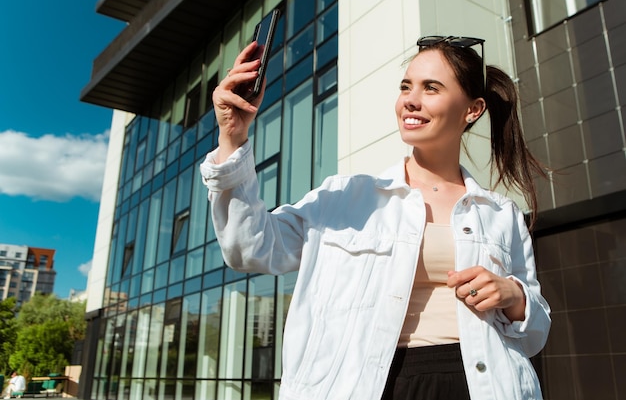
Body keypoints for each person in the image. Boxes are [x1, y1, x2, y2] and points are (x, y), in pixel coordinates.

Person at [200, 36, 551, 400]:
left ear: (472, 110)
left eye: (431, 88)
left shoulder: (499, 213)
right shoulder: (345, 197)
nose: (410, 100)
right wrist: (232, 138)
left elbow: (535, 333)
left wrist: (513, 295)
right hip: (371, 385)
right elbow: (249, 248)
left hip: (485, 384)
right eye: (406, 86)